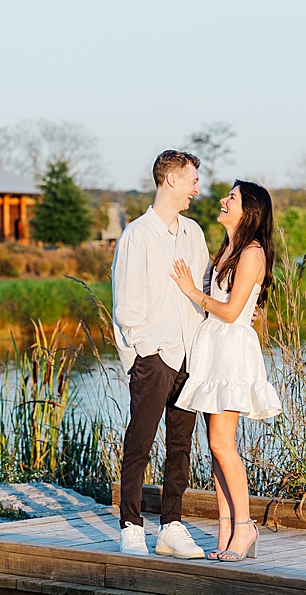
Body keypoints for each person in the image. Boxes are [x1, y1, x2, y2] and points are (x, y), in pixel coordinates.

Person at [169, 179, 282, 562]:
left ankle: (245, 525)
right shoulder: (230, 248)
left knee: (222, 443)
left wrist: (191, 291)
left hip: (231, 352)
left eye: (231, 197)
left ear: (248, 209)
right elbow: (236, 304)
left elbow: (233, 312)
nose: (223, 200)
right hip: (213, 348)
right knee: (215, 447)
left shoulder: (250, 251)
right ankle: (226, 526)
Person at [111, 150, 209, 557]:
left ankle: (171, 524)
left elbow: (202, 293)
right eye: (191, 180)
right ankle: (131, 525)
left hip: (190, 355)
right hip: (154, 359)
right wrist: (148, 354)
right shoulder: (137, 235)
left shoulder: (194, 233)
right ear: (170, 179)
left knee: (181, 447)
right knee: (140, 442)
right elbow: (127, 308)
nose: (196, 188)